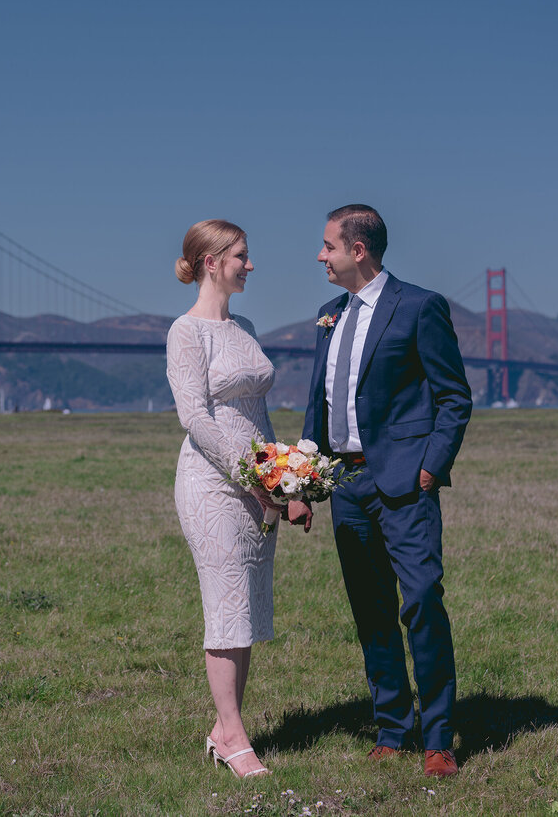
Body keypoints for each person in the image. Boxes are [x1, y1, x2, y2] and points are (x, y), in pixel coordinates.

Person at [286, 204, 472, 778]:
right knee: (371, 612)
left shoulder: (419, 307)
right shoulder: (327, 315)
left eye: (327, 246)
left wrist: (429, 469)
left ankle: (439, 737)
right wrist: (303, 482)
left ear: (357, 250)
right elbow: (319, 403)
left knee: (420, 603)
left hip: (404, 485)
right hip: (345, 484)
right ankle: (392, 728)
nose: (320, 255)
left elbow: (453, 397)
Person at [166, 219, 279, 779]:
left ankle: (225, 728)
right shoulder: (185, 333)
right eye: (242, 256)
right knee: (225, 605)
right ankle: (233, 734)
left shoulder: (247, 325)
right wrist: (250, 476)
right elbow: (195, 418)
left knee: (248, 609)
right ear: (212, 262)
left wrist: (285, 480)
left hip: (258, 483)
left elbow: (258, 414)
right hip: (211, 484)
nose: (250, 265)